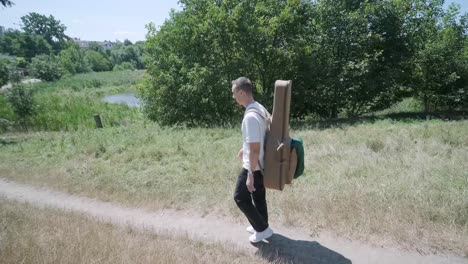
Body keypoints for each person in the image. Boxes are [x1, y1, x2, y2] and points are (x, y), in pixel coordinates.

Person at [231, 77, 273, 243]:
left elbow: (255, 148)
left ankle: (262, 229)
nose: (233, 97)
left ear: (241, 92)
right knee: (258, 196)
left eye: (234, 93)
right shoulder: (259, 107)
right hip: (263, 163)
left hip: (255, 166)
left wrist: (249, 173)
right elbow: (261, 134)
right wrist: (244, 148)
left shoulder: (249, 116)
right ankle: (262, 224)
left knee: (240, 197)